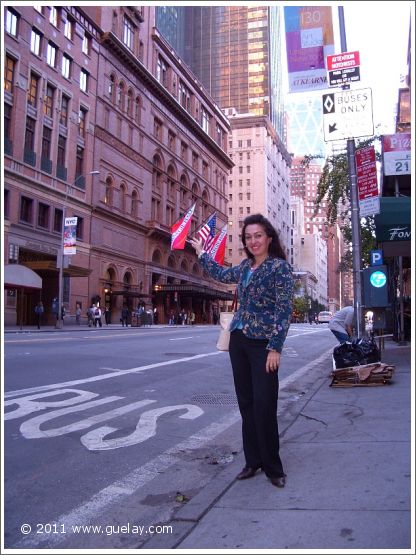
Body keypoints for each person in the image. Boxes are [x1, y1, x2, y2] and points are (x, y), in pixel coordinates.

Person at [190, 213, 294, 489]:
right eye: (248, 237)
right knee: (246, 404)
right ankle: (253, 461)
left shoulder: (279, 268)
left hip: (263, 346)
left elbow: (283, 311)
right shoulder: (245, 267)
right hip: (239, 341)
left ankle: (273, 466)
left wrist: (275, 348)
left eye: (258, 235)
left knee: (265, 404)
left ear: (269, 237)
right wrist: (201, 253)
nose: (253, 241)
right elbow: (221, 274)